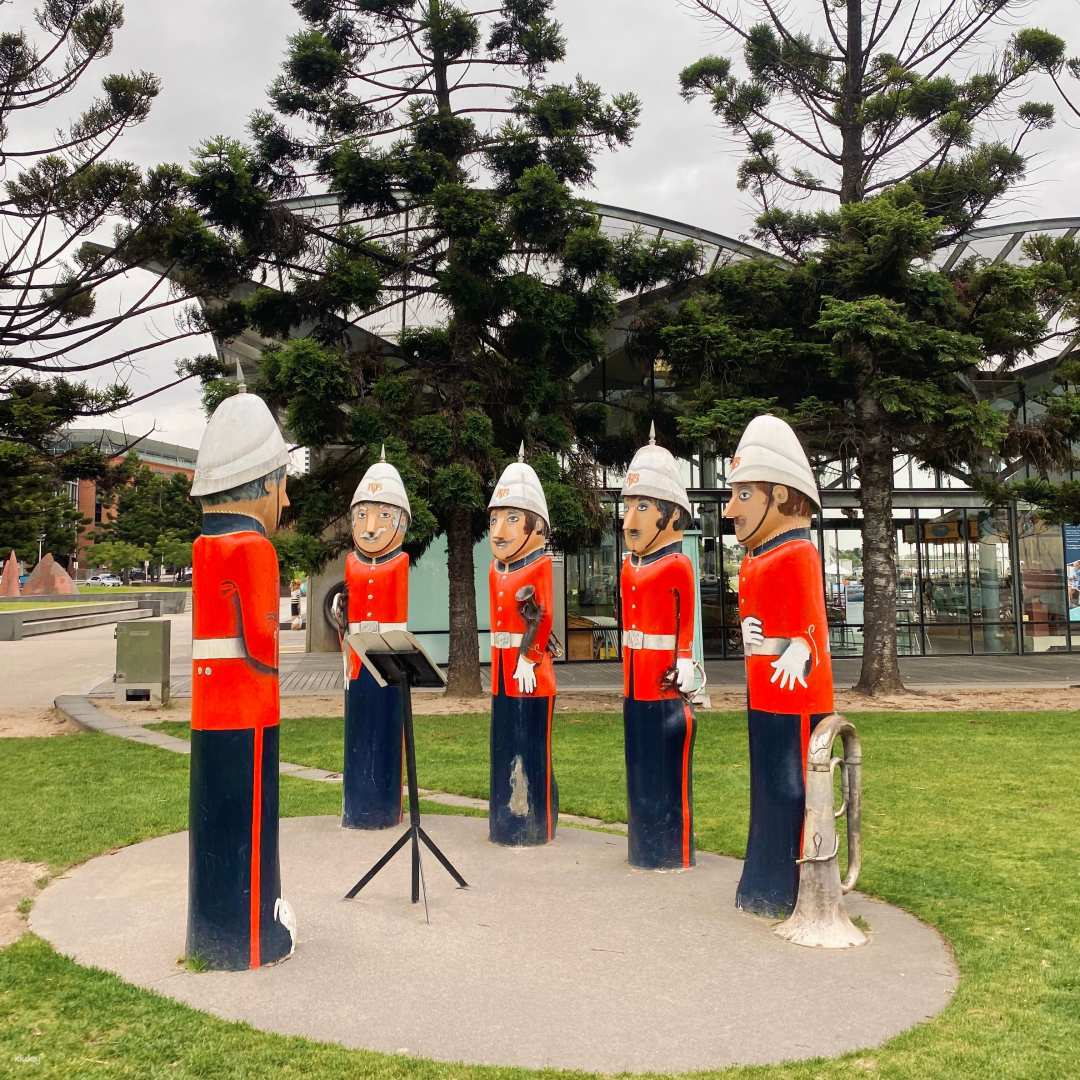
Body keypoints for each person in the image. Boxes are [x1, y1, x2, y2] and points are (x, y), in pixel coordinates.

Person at [187, 378, 296, 970]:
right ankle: (254, 937)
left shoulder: (205, 549)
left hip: (208, 709)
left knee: (215, 816)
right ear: (260, 484)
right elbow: (262, 642)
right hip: (250, 710)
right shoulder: (255, 551)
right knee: (251, 818)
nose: (284, 503)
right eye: (280, 487)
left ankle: (211, 930)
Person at [723, 414, 833, 918]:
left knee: (791, 787)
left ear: (782, 496)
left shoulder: (798, 553)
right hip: (764, 693)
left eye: (744, 495)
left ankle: (790, 885)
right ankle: (764, 880)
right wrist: (756, 636)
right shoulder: (754, 559)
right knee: (768, 787)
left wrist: (799, 648)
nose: (730, 510)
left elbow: (813, 623)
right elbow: (767, 619)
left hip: (795, 698)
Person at [620, 425, 697, 870]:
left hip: (663, 682)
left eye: (643, 506)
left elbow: (686, 617)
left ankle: (670, 848)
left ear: (669, 515)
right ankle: (643, 843)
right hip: (633, 685)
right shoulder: (628, 566)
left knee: (666, 767)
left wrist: (685, 659)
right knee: (639, 766)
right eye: (629, 505)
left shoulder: (677, 564)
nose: (631, 518)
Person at [488, 445, 558, 846]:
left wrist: (530, 658)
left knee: (530, 746)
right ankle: (505, 816)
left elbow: (543, 614)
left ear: (537, 527)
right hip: (501, 670)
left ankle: (533, 820)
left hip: (529, 672)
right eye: (496, 518)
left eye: (512, 519)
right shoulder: (495, 570)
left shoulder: (540, 565)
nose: (499, 530)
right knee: (503, 744)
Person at [341, 448, 412, 829]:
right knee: (358, 726)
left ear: (401, 521)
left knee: (385, 727)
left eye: (383, 516)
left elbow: (397, 619)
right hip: (356, 659)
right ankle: (358, 804)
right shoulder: (352, 563)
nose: (369, 527)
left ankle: (384, 803)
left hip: (386, 659)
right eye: (362, 515)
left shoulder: (398, 563)